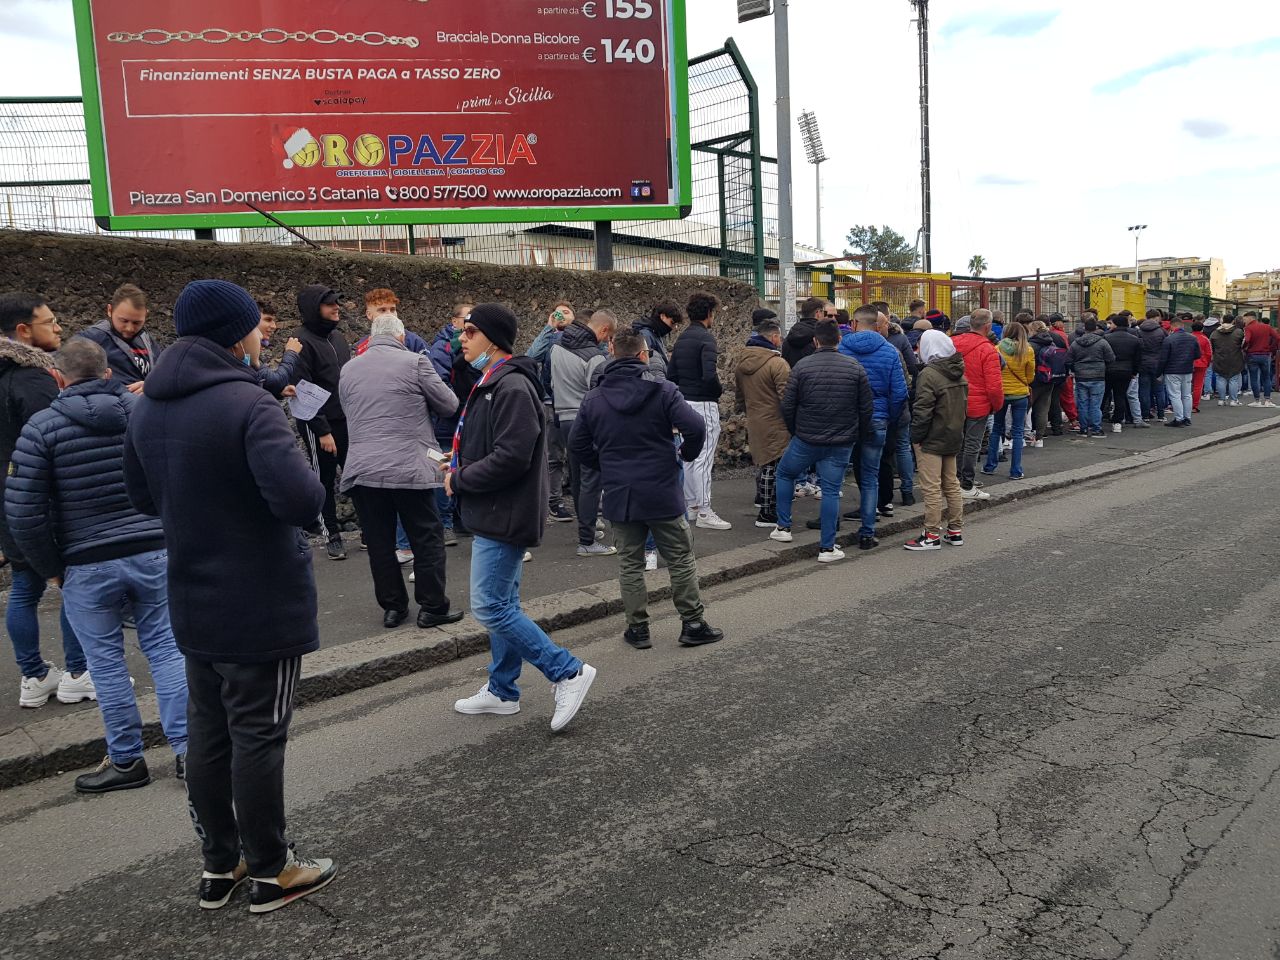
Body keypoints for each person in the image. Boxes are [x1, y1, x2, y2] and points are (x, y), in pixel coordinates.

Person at [124, 279, 335, 914]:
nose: (260, 336)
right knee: (259, 735)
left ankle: (222, 864)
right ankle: (272, 868)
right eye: (253, 327)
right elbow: (302, 501)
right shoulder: (249, 404)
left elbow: (141, 499)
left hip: (191, 594)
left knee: (210, 737)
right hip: (260, 599)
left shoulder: (146, 406)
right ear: (233, 332)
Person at [6, 338, 187, 793]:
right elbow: (178, 478)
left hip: (86, 562)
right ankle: (190, 753)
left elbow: (24, 511)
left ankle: (127, 761)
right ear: (108, 373)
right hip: (152, 549)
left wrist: (51, 568)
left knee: (104, 664)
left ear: (58, 378)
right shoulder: (143, 413)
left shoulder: (41, 429)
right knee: (166, 650)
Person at [445, 304, 596, 732]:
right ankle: (502, 690)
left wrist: (461, 478)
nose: (463, 339)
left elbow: (511, 457)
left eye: (471, 332)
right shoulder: (493, 382)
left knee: (490, 606)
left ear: (493, 339)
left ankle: (566, 670)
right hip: (495, 509)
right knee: (503, 603)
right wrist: (457, 466)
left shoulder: (509, 386)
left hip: (503, 512)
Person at [570, 330, 722, 649]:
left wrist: (604, 465)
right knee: (680, 558)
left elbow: (577, 445)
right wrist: (685, 455)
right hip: (661, 488)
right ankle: (692, 622)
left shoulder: (594, 397)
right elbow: (696, 427)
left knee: (630, 563)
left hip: (620, 492)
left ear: (613, 355)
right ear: (643, 356)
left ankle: (638, 629)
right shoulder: (663, 390)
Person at [339, 313, 465, 629]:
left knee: (380, 543)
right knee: (426, 537)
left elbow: (349, 411)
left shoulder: (349, 369)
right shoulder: (415, 362)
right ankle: (432, 606)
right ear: (401, 336)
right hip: (409, 467)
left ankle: (393, 608)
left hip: (363, 469)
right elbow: (449, 404)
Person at [0, 293, 89, 708]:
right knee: (71, 586)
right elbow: (59, 444)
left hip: (9, 504)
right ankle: (77, 672)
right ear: (23, 331)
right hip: (48, 506)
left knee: (24, 587)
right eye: (49, 322)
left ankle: (33, 676)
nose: (58, 327)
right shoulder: (34, 380)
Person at [773, 319, 873, 562]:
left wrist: (795, 429)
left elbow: (788, 405)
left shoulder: (802, 367)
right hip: (841, 440)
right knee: (830, 490)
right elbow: (866, 408)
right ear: (839, 339)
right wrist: (855, 433)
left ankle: (783, 528)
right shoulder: (855, 367)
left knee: (785, 474)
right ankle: (827, 548)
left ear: (815, 341)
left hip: (806, 437)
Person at [838, 305, 908, 550]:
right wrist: (888, 417)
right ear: (876, 324)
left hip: (846, 420)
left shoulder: (842, 349)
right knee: (870, 478)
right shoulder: (889, 352)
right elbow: (900, 393)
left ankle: (830, 527)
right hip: (878, 419)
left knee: (835, 476)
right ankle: (867, 533)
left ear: (855, 324)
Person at [290, 284, 351, 560]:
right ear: (315, 309)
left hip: (346, 419)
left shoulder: (338, 338)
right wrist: (322, 430)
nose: (336, 308)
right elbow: (301, 390)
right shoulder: (301, 342)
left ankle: (368, 532)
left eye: (336, 302)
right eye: (329, 304)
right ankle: (332, 535)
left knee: (355, 475)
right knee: (323, 480)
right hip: (319, 425)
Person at [552, 308, 617, 555]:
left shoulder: (557, 346)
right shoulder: (595, 357)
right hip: (585, 422)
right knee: (591, 480)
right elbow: (598, 395)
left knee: (578, 477)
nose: (606, 341)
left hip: (563, 419)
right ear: (603, 330)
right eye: (607, 336)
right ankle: (587, 541)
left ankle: (586, 528)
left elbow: (549, 379)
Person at [670, 291, 731, 530]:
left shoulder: (682, 339)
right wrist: (717, 391)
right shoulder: (706, 339)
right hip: (704, 402)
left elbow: (671, 374)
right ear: (709, 313)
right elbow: (709, 376)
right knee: (704, 457)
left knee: (688, 455)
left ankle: (692, 506)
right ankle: (705, 510)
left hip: (684, 402)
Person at [904, 330, 968, 551]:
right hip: (953, 433)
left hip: (932, 436)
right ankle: (955, 530)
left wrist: (916, 436)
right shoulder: (958, 371)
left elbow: (922, 410)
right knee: (951, 483)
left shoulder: (929, 374)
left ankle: (931, 534)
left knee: (931, 487)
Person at [734, 317, 791, 529]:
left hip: (755, 418)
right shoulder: (777, 364)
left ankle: (762, 500)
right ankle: (768, 512)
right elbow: (787, 396)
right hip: (775, 420)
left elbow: (739, 396)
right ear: (774, 337)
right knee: (774, 465)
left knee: (763, 463)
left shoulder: (742, 363)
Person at [427, 302, 475, 544]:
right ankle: (444, 524)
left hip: (465, 420)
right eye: (466, 318)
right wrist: (459, 407)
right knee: (443, 470)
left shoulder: (474, 345)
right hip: (447, 423)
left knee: (463, 469)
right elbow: (439, 385)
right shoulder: (441, 348)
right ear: (454, 321)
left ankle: (459, 520)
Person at [525, 302, 576, 523]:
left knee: (577, 455)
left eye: (566, 312)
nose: (561, 315)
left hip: (575, 403)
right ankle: (554, 502)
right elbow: (531, 357)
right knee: (554, 456)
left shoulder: (579, 338)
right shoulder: (548, 337)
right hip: (550, 403)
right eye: (557, 312)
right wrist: (549, 327)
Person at [951, 310, 1003, 501]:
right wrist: (997, 406)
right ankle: (966, 484)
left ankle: (953, 481)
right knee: (972, 445)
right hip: (978, 403)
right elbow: (994, 385)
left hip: (954, 400)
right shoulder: (988, 349)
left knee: (956, 443)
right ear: (988, 326)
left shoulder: (953, 343)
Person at [75, 284, 163, 395]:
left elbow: (164, 376)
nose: (130, 328)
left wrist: (150, 385)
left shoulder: (148, 342)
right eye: (124, 321)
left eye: (137, 323)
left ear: (146, 315)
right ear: (109, 310)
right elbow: (62, 363)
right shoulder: (93, 337)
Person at [984, 320, 1036, 478]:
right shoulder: (1027, 350)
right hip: (1020, 394)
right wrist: (1024, 382)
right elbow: (1030, 375)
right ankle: (1015, 470)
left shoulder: (997, 349)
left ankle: (990, 466)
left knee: (996, 429)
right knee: (1018, 432)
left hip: (1001, 393)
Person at [1066, 318, 1115, 438]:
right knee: (1095, 404)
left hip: (1081, 376)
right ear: (1096, 328)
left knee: (1082, 403)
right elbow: (1111, 358)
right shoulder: (1102, 342)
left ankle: (1083, 429)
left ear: (1084, 328)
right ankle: (1096, 429)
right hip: (1098, 375)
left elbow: (1068, 360)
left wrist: (1075, 369)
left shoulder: (1076, 343)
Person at [1102, 314, 1144, 433]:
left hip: (1108, 370)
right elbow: (1137, 359)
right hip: (1126, 371)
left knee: (1103, 396)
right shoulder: (1134, 339)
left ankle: (1096, 421)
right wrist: (1134, 372)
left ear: (1115, 324)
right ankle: (1117, 422)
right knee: (1120, 396)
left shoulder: (1107, 337)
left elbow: (1103, 355)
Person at [252, 302, 303, 399]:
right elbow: (276, 381)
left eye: (274, 321)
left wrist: (279, 393)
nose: (274, 326)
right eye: (268, 320)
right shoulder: (243, 353)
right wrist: (291, 353)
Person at [1028, 320, 1069, 441]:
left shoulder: (1031, 345)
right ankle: (1039, 437)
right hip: (1049, 379)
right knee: (1043, 409)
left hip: (1034, 380)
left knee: (1026, 408)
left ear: (1033, 331)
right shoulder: (1051, 342)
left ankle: (1021, 434)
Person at [1159, 315, 1200, 427]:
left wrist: (1159, 371)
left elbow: (1163, 358)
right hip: (1187, 370)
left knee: (1175, 395)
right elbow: (1197, 355)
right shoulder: (1192, 338)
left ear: (1172, 326)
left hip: (1172, 370)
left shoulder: (1169, 339)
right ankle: (1187, 418)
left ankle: (1178, 418)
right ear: (1182, 325)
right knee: (1187, 395)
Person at [632, 301, 683, 382]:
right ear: (662, 316)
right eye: (672, 323)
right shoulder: (647, 335)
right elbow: (649, 367)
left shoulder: (657, 333)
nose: (674, 327)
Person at [1137, 310, 1168, 421]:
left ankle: (1145, 415)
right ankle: (1161, 415)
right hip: (1157, 364)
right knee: (1159, 390)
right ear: (1157, 318)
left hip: (1143, 364)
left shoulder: (1139, 331)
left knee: (1144, 390)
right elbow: (1166, 349)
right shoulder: (1162, 331)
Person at [1242, 312, 1277, 407]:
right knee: (1266, 377)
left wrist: (1244, 348)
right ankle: (1267, 400)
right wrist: (1271, 348)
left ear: (1250, 318)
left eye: (1245, 319)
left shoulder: (1248, 328)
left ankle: (1257, 400)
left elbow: (1247, 340)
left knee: (1254, 378)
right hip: (1265, 355)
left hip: (1252, 355)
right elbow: (1277, 337)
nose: (1244, 321)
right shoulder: (1267, 327)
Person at [1210, 315, 1246, 406]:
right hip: (1235, 358)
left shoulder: (1215, 332)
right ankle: (1233, 400)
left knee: (1220, 379)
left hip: (1219, 358)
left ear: (1222, 320)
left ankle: (1221, 400)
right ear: (1233, 321)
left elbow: (1212, 346)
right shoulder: (1238, 332)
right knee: (1233, 379)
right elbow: (1243, 344)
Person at [782, 297, 827, 367]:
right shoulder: (820, 336)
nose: (825, 316)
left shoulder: (789, 336)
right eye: (824, 312)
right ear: (818, 313)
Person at [1191, 318, 1213, 412]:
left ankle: (1184, 404)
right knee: (1198, 385)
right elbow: (1209, 354)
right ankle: (1194, 406)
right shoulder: (1205, 339)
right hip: (1201, 364)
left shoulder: (1189, 337)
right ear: (1202, 329)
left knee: (1187, 385)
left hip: (1189, 363)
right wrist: (1207, 363)